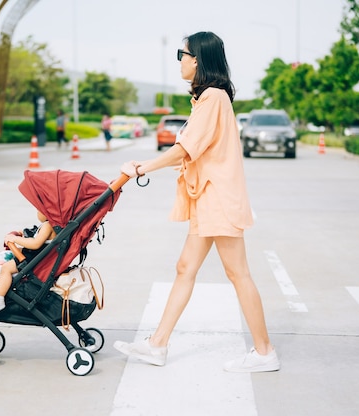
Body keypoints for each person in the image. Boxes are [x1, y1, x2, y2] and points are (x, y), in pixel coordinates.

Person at [113, 31, 279, 373]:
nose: (180, 60)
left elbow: (184, 149)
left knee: (238, 274)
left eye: (182, 54)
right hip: (208, 198)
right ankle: (158, 345)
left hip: (218, 199)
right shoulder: (209, 99)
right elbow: (189, 150)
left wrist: (141, 168)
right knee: (185, 269)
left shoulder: (214, 98)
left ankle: (264, 352)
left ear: (198, 59)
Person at [0, 210, 56, 316]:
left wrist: (15, 239)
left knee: (6, 268)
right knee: (7, 258)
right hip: (37, 258)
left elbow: (35, 244)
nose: (37, 212)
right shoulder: (52, 225)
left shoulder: (48, 225)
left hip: (34, 262)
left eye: (39, 209)